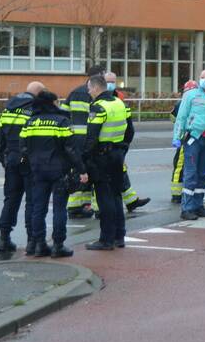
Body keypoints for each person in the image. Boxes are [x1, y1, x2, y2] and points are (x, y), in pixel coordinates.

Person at [20, 90, 84, 258]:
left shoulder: (30, 122)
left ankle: (39, 245)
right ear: (52, 103)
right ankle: (58, 245)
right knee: (59, 208)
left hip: (37, 171)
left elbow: (23, 148)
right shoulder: (62, 121)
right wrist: (81, 169)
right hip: (59, 171)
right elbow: (71, 149)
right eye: (57, 101)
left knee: (38, 209)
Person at [82, 75, 134, 250]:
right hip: (117, 155)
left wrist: (84, 159)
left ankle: (106, 239)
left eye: (89, 88)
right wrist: (122, 149)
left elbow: (91, 138)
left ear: (96, 88)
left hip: (101, 157)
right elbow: (130, 131)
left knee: (105, 199)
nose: (89, 91)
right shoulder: (120, 104)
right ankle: (119, 236)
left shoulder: (98, 107)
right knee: (116, 195)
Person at [0, 80, 44, 255]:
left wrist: (4, 159)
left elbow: (0, 137)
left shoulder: (9, 107)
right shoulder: (36, 108)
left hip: (11, 159)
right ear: (39, 93)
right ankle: (32, 240)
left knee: (11, 199)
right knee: (32, 201)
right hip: (29, 160)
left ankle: (4, 239)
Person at [173, 69, 205, 220]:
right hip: (193, 138)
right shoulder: (190, 95)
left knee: (202, 174)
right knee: (190, 173)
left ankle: (198, 206)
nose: (204, 80)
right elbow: (181, 117)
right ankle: (186, 208)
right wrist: (177, 137)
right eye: (202, 77)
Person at [103, 71, 151, 212]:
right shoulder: (97, 98)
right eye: (108, 81)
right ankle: (102, 208)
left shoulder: (119, 98)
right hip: (104, 146)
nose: (110, 84)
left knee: (120, 172)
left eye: (112, 81)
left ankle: (131, 201)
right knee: (106, 177)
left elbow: (128, 123)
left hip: (118, 145)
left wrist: (125, 145)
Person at [63, 65, 106, 218]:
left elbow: (63, 113)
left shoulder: (74, 92)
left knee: (79, 172)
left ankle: (76, 206)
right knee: (93, 173)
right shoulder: (96, 94)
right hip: (89, 139)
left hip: (75, 139)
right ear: (98, 76)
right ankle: (97, 207)